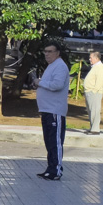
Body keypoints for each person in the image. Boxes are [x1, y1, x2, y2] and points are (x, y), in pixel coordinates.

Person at [34, 41, 69, 181]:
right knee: (49, 141)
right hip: (47, 110)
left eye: (50, 51)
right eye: (45, 51)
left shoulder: (60, 66)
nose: (47, 54)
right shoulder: (51, 66)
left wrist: (39, 82)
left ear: (57, 53)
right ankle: (50, 168)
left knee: (55, 142)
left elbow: (57, 85)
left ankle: (57, 169)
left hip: (55, 111)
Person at [82, 51, 103, 135]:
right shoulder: (95, 67)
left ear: (96, 58)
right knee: (91, 111)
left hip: (94, 93)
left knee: (95, 110)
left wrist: (94, 91)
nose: (89, 59)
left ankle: (95, 129)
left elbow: (100, 82)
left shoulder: (100, 67)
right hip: (89, 92)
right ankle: (92, 127)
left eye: (91, 58)